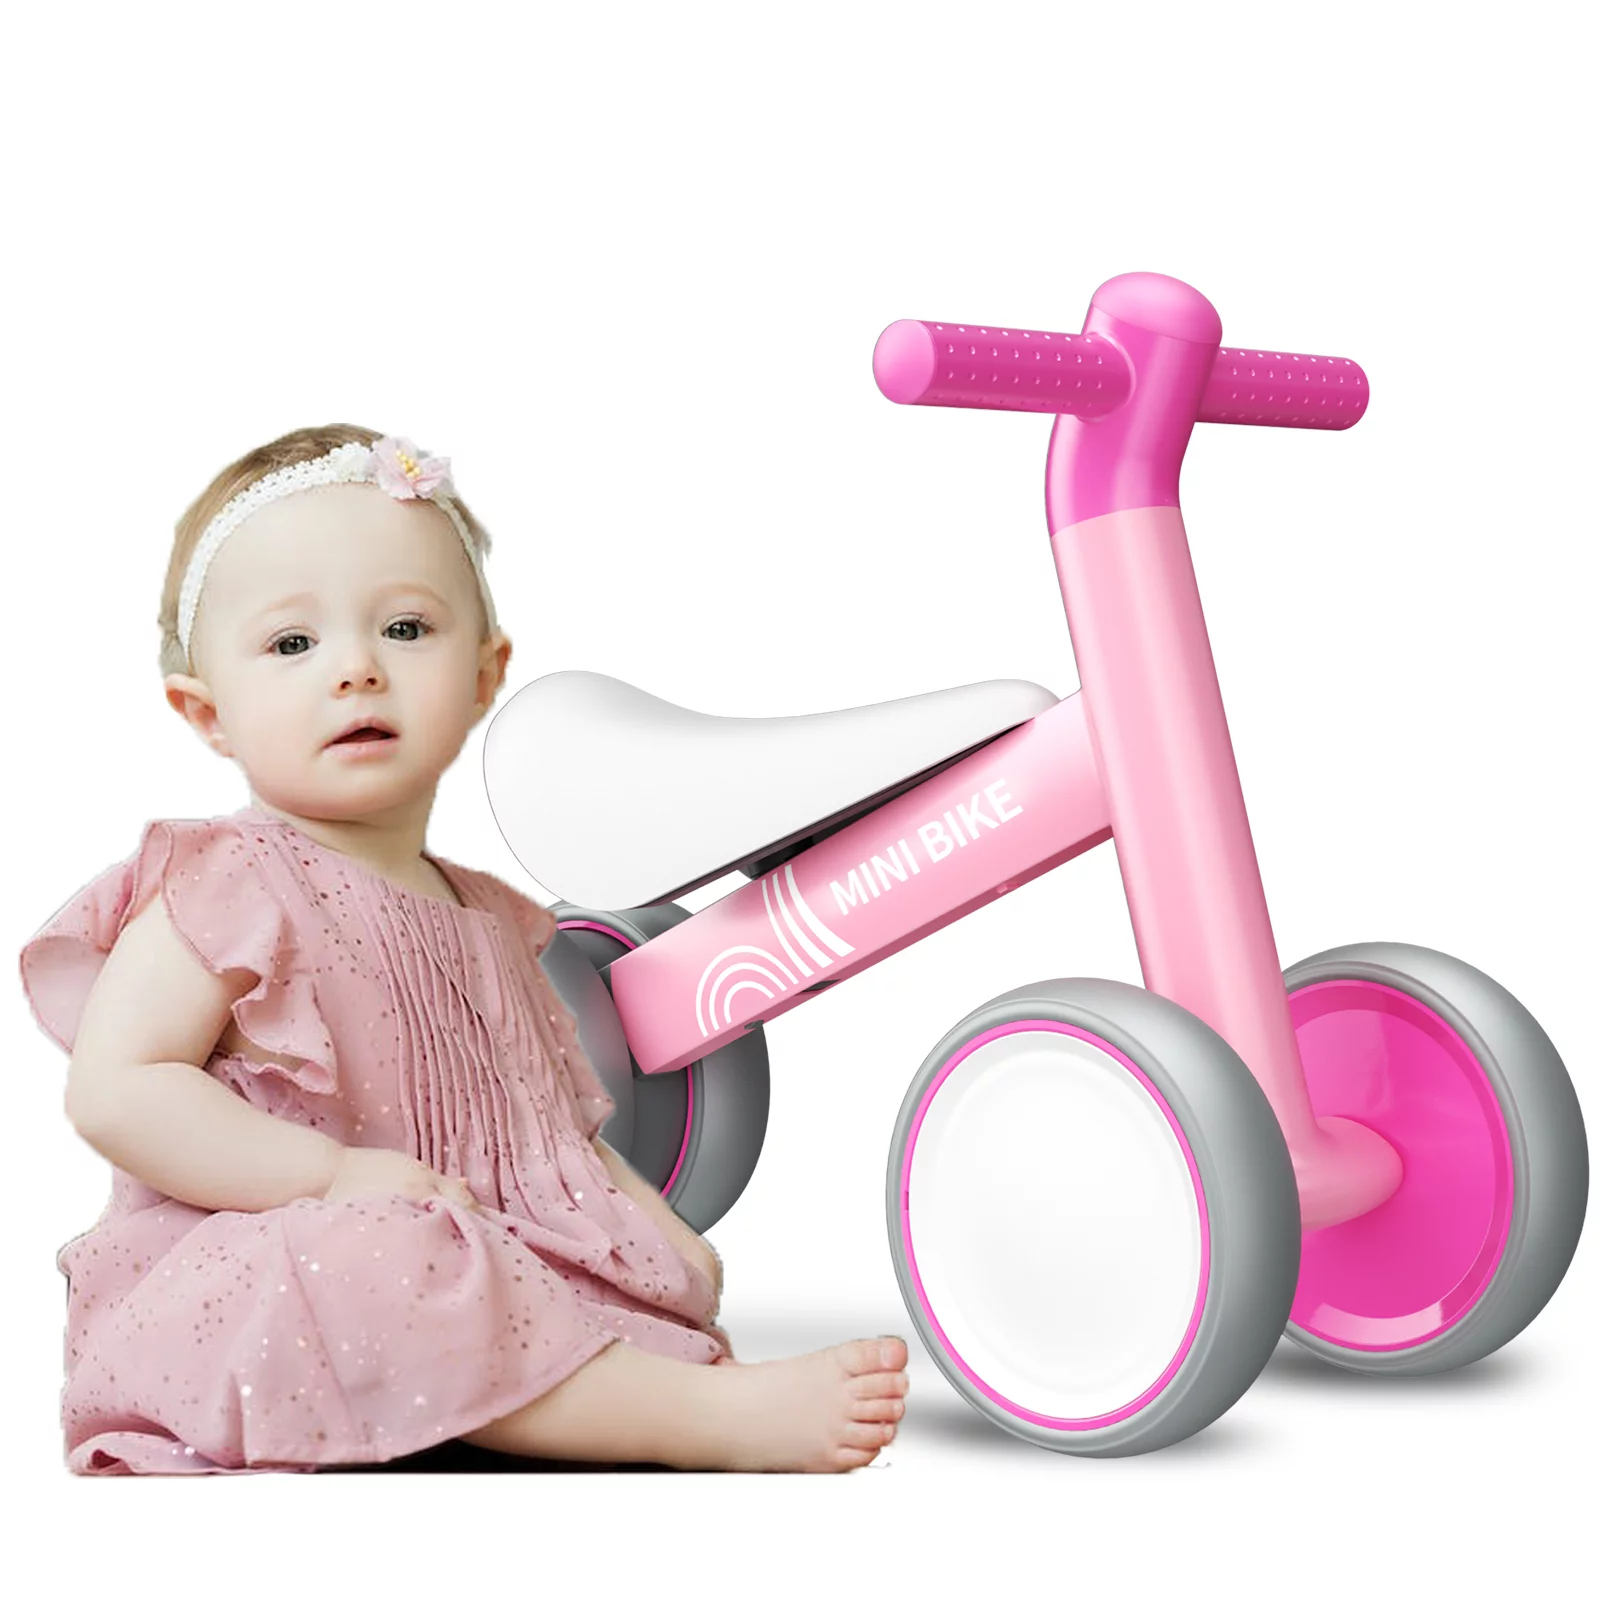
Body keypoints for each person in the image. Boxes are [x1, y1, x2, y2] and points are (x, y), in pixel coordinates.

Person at [18, 424, 909, 1475]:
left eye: (404, 627)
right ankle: (696, 1420)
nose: (356, 670)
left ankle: (589, 1395)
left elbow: (546, 1127)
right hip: (279, 1261)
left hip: (474, 1255)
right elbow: (119, 1090)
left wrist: (649, 1218)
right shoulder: (228, 882)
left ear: (485, 675)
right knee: (381, 1257)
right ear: (206, 713)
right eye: (293, 645)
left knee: (645, 1274)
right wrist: (329, 1176)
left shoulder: (495, 921)